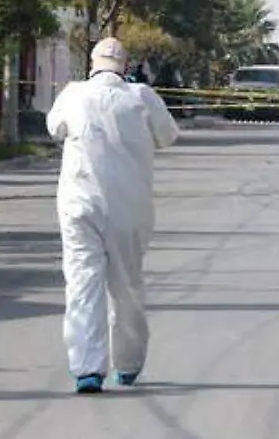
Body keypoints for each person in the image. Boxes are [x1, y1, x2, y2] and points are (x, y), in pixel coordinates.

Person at [46, 37, 179, 394]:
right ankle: (128, 363)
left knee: (82, 284)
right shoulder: (142, 97)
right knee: (127, 286)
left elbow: (54, 129)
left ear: (92, 65)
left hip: (79, 204)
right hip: (129, 207)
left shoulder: (73, 94)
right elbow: (168, 136)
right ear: (126, 66)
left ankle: (87, 368)